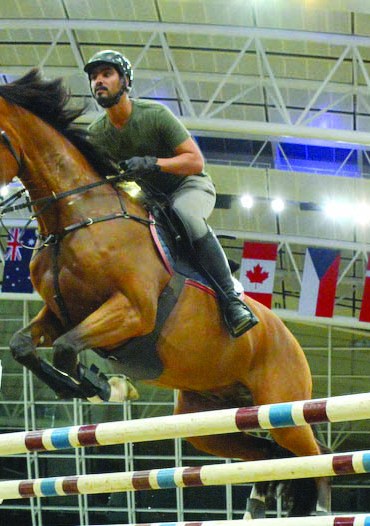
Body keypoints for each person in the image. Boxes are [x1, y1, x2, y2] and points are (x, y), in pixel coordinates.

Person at [82, 49, 258, 338]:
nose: (98, 81)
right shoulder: (96, 133)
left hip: (189, 186)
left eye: (106, 74)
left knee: (184, 214)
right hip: (149, 200)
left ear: (125, 81)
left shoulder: (154, 115)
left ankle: (232, 301)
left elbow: (195, 161)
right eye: (93, 77)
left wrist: (154, 163)